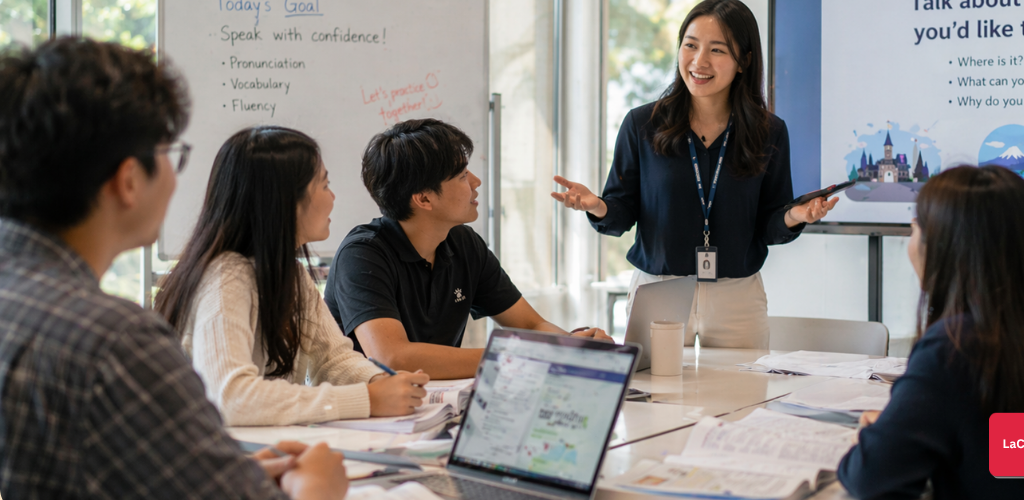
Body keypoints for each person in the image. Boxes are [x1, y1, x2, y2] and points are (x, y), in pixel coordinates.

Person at [0, 37, 346, 499]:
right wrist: (316, 488)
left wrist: (213, 472)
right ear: (128, 181)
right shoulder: (115, 341)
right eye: (169, 154)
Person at [552, 0, 835, 349]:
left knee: (743, 398)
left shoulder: (769, 131)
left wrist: (796, 215)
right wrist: (597, 205)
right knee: (653, 398)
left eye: (717, 50)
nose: (699, 62)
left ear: (744, 61)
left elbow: (768, 225)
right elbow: (620, 213)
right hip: (658, 290)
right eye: (690, 45)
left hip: (737, 297)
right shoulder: (643, 124)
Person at [838, 165, 1024, 499]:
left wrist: (873, 440)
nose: (910, 241)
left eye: (915, 227)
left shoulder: (954, 347)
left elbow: (871, 479)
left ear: (943, 246)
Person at [154, 126, 429, 426]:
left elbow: (333, 361)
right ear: (286, 200)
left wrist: (381, 381)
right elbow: (231, 397)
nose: (333, 197)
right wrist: (368, 399)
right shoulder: (226, 276)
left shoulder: (290, 274)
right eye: (324, 185)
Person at [325, 119, 610, 380]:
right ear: (424, 198)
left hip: (436, 407)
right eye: (462, 176)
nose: (476, 182)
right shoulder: (362, 254)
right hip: (364, 420)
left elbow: (531, 325)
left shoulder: (463, 243)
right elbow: (393, 357)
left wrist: (577, 348)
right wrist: (523, 356)